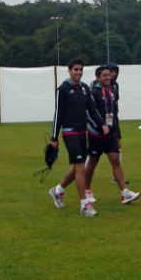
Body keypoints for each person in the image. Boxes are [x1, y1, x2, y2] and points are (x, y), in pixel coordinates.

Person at [47, 59, 109, 217]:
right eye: (76, 69)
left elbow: (92, 109)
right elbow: (58, 114)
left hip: (83, 132)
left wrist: (101, 124)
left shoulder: (84, 88)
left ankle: (57, 190)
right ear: (69, 70)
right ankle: (84, 205)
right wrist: (54, 137)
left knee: (77, 167)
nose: (79, 72)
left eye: (81, 69)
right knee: (80, 165)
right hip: (69, 131)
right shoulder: (63, 89)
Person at [85, 65, 140, 203]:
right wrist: (99, 126)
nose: (108, 77)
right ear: (98, 77)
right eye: (104, 75)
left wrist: (114, 128)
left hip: (110, 133)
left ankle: (125, 193)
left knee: (115, 160)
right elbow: (89, 112)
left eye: (109, 75)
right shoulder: (93, 92)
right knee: (92, 162)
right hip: (96, 134)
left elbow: (114, 110)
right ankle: (87, 191)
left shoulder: (113, 89)